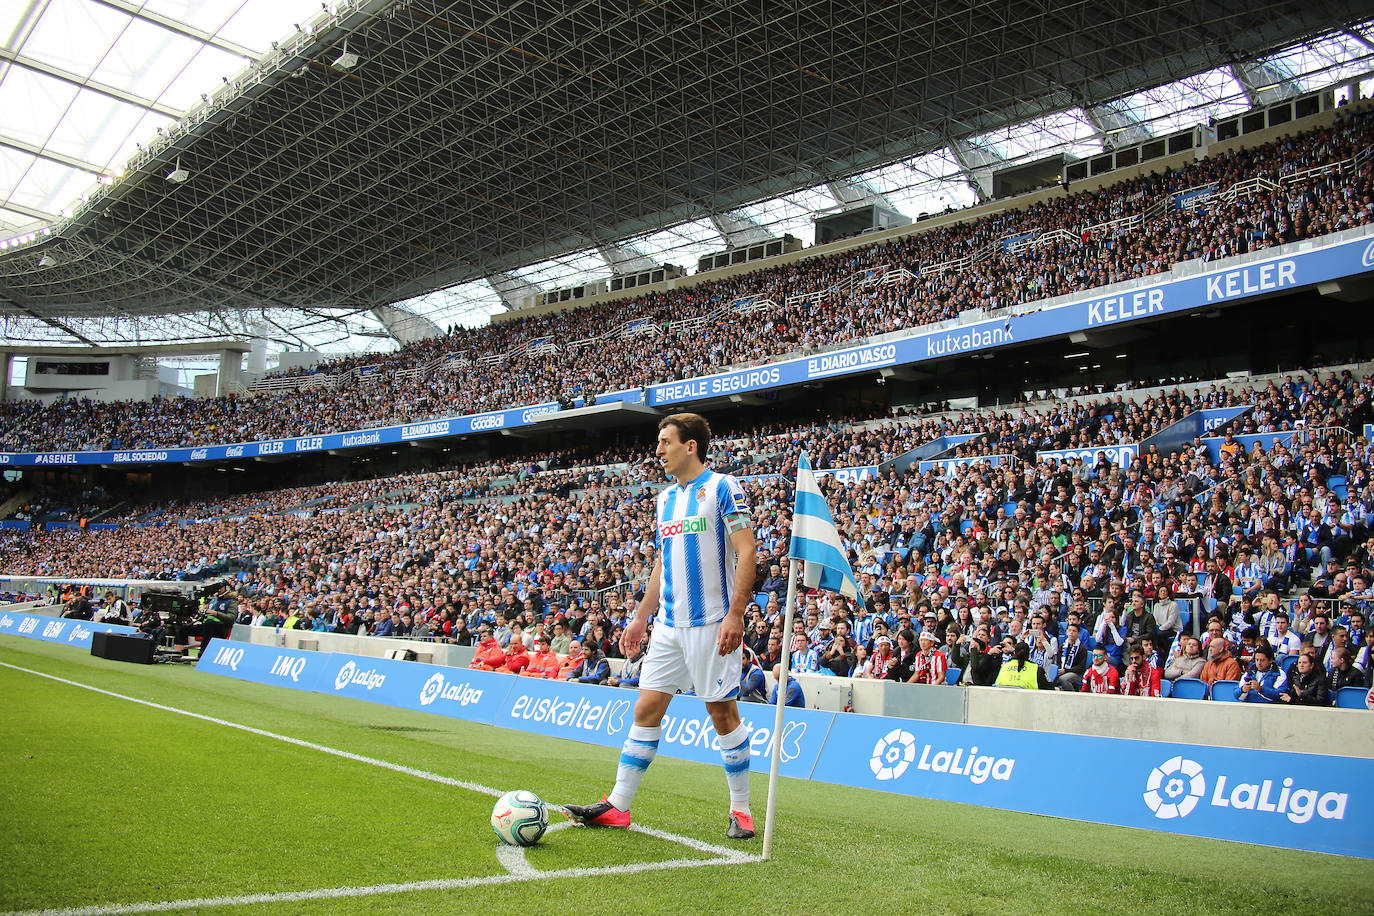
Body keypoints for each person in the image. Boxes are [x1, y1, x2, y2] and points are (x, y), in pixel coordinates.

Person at [567, 414, 759, 840]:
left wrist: (736, 614)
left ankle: (741, 811)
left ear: (690, 446)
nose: (658, 449)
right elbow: (661, 563)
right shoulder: (664, 501)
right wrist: (640, 615)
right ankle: (618, 805)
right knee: (646, 708)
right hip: (669, 627)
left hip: (712, 622)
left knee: (722, 713)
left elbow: (747, 552)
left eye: (665, 441)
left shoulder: (724, 488)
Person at [1055, 622, 1088, 691]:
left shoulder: (1081, 648)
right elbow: (1058, 661)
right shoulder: (1063, 646)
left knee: (1063, 679)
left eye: (1074, 631)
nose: (1071, 632)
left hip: (1077, 673)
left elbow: (1081, 667)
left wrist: (1066, 670)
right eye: (1069, 630)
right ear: (1066, 632)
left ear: (1078, 634)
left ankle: (1072, 695)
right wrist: (1059, 669)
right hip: (1063, 670)